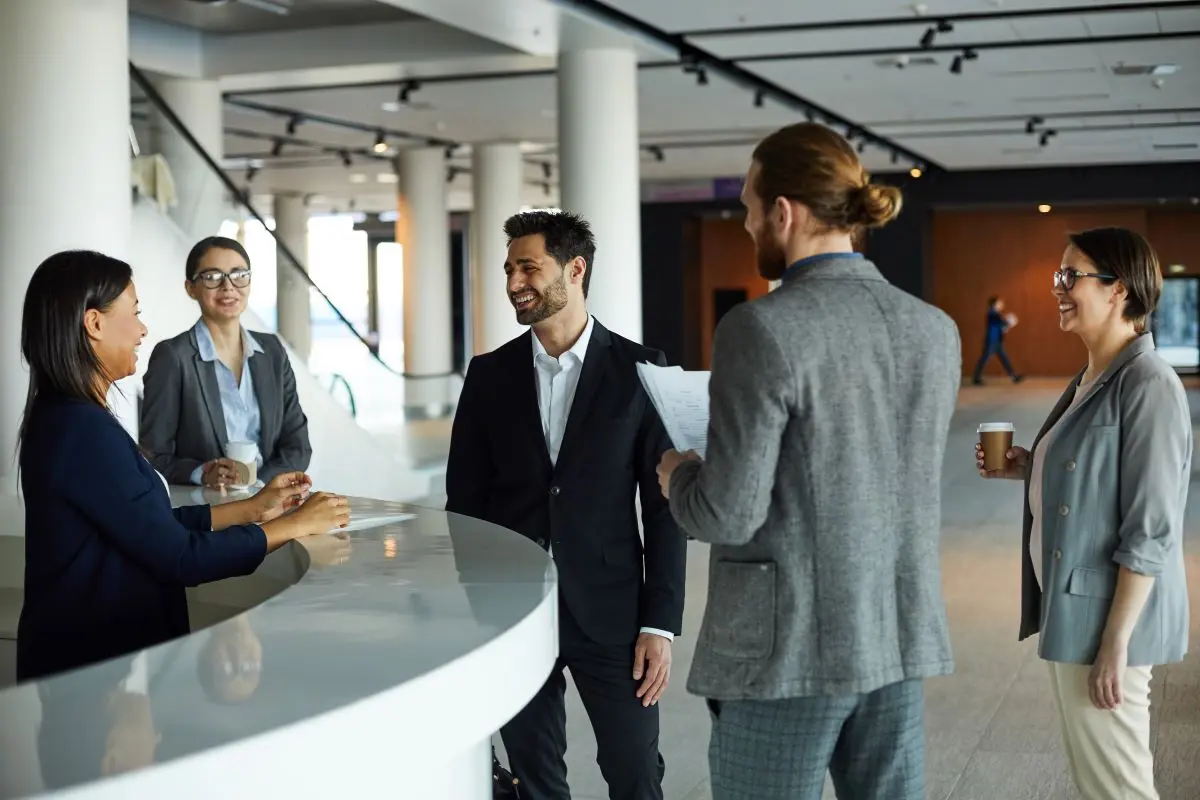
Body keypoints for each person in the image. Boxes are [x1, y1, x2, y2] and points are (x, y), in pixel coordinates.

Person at [657, 122, 961, 800]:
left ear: (784, 212)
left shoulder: (761, 327)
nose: (744, 224)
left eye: (747, 208)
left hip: (788, 647)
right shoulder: (933, 330)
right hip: (896, 635)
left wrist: (679, 473)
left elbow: (728, 512)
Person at [16, 250, 350, 683]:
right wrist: (293, 526)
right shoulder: (82, 429)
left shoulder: (68, 417)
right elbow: (179, 557)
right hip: (92, 671)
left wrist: (254, 509)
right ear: (94, 324)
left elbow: (144, 523)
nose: (142, 329)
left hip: (91, 663)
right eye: (134, 313)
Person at [445, 210, 686, 800]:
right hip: (514, 611)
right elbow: (465, 504)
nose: (513, 283)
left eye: (529, 267)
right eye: (508, 268)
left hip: (613, 616)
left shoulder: (640, 369)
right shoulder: (488, 375)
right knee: (535, 779)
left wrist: (661, 623)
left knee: (634, 772)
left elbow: (664, 509)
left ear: (575, 269)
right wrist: (479, 609)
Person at [976, 227, 1188, 800]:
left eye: (1072, 276)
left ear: (1119, 289)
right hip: (1076, 612)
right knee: (1100, 782)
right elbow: (1093, 472)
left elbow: (1152, 529)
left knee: (1118, 787)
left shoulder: (1148, 384)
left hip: (1105, 625)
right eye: (1057, 277)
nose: (1059, 289)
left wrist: (1115, 644)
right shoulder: (1095, 375)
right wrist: (1030, 464)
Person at [140, 236, 311, 488]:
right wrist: (202, 473)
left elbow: (297, 447)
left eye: (238, 274)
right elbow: (152, 454)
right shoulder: (173, 357)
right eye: (212, 277)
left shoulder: (272, 351)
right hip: (208, 509)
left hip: (270, 502)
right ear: (191, 288)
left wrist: (257, 486)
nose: (228, 287)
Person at [972, 295, 1023, 384]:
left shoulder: (996, 314)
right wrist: (1009, 321)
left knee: (1004, 358)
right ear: (995, 304)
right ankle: (976, 378)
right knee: (985, 359)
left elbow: (1001, 326)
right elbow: (1000, 323)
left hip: (997, 341)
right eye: (1000, 302)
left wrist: (1007, 325)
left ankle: (1014, 377)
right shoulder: (991, 313)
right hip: (991, 341)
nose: (1001, 304)